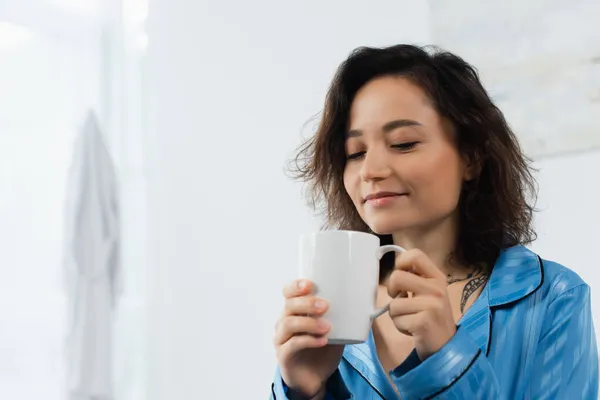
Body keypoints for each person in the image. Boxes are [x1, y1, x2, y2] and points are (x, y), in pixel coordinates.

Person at [269, 44, 599, 400]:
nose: (371, 171)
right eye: (355, 153)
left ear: (470, 157)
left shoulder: (554, 298)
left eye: (403, 143)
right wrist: (305, 390)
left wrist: (447, 358)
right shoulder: (336, 309)